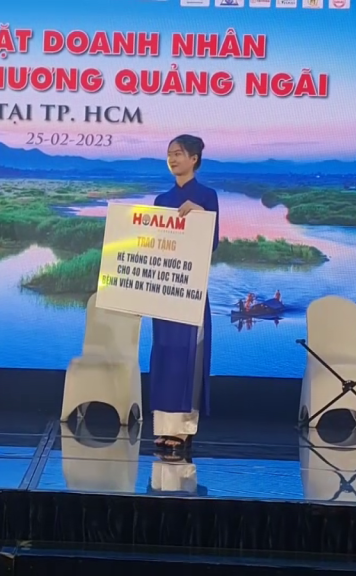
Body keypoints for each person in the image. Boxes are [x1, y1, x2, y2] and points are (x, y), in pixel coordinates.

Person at [150, 134, 219, 452]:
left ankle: (185, 428)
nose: (173, 159)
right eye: (169, 154)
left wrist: (200, 216)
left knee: (189, 352)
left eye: (178, 153)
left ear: (194, 159)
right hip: (165, 288)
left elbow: (212, 243)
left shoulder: (207, 196)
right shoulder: (161, 200)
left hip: (191, 287)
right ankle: (164, 426)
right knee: (165, 351)